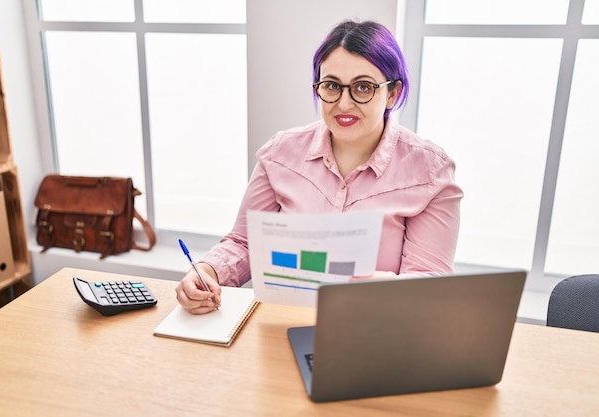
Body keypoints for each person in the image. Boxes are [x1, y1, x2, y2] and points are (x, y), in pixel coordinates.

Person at [175, 19, 463, 314]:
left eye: (363, 87)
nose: (344, 103)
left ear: (392, 93)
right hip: (280, 325)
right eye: (331, 86)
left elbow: (429, 282)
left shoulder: (430, 172)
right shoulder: (279, 155)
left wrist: (378, 287)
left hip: (376, 332)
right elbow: (244, 243)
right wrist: (208, 270)